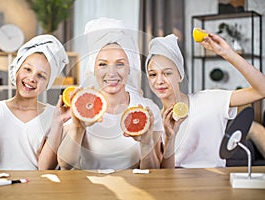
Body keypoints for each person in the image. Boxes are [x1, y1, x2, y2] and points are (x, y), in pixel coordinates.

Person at [55, 17, 169, 170]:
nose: (111, 72)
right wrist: (77, 127)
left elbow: (153, 172)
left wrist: (146, 143)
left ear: (130, 68)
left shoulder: (147, 109)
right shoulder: (81, 105)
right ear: (93, 70)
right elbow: (65, 164)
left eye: (120, 64)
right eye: (102, 64)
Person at [145, 33, 265, 168]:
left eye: (167, 73)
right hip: (177, 185)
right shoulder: (154, 121)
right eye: (153, 74)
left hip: (215, 183)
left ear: (180, 75)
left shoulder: (210, 100)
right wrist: (169, 138)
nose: (159, 81)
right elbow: (165, 173)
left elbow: (262, 90)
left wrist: (227, 54)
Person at [0, 34, 70, 170]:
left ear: (47, 85)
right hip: (2, 187)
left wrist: (57, 124)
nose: (32, 78)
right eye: (27, 69)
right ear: (16, 70)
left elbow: (45, 168)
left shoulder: (54, 115)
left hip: (38, 189)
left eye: (41, 75)